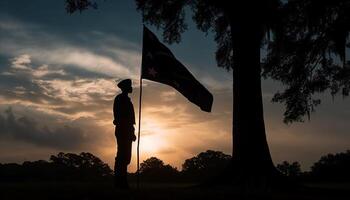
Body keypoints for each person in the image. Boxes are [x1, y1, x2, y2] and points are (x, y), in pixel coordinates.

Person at [113, 79, 136, 189]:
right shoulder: (120, 99)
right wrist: (127, 130)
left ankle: (122, 181)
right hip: (122, 130)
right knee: (122, 155)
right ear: (125, 88)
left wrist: (132, 132)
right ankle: (119, 182)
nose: (131, 87)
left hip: (127, 130)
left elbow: (131, 120)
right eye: (129, 86)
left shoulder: (127, 100)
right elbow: (119, 117)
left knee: (126, 156)